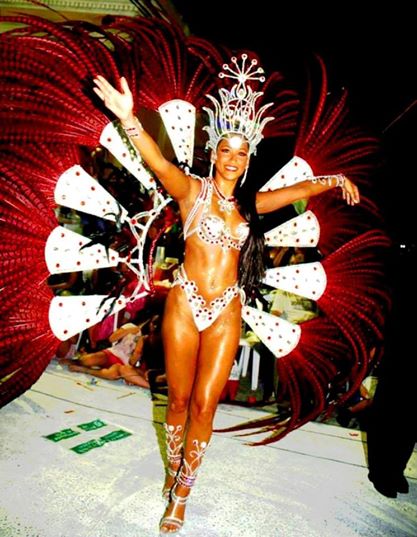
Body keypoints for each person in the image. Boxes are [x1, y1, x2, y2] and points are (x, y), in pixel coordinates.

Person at [92, 56, 360, 535]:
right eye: (226, 150)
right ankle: (173, 466)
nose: (233, 159)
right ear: (214, 153)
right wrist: (129, 119)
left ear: (248, 158)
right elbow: (156, 160)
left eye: (241, 152)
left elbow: (298, 189)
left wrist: (335, 180)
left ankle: (182, 492)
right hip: (185, 302)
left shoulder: (251, 205)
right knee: (177, 402)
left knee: (204, 405)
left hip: (226, 309)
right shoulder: (190, 192)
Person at [63, 321, 150, 389]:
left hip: (124, 364)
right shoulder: (131, 326)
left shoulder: (149, 340)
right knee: (88, 360)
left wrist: (137, 353)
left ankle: (86, 370)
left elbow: (135, 362)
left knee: (112, 374)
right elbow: (112, 339)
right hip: (113, 352)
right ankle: (77, 361)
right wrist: (129, 330)